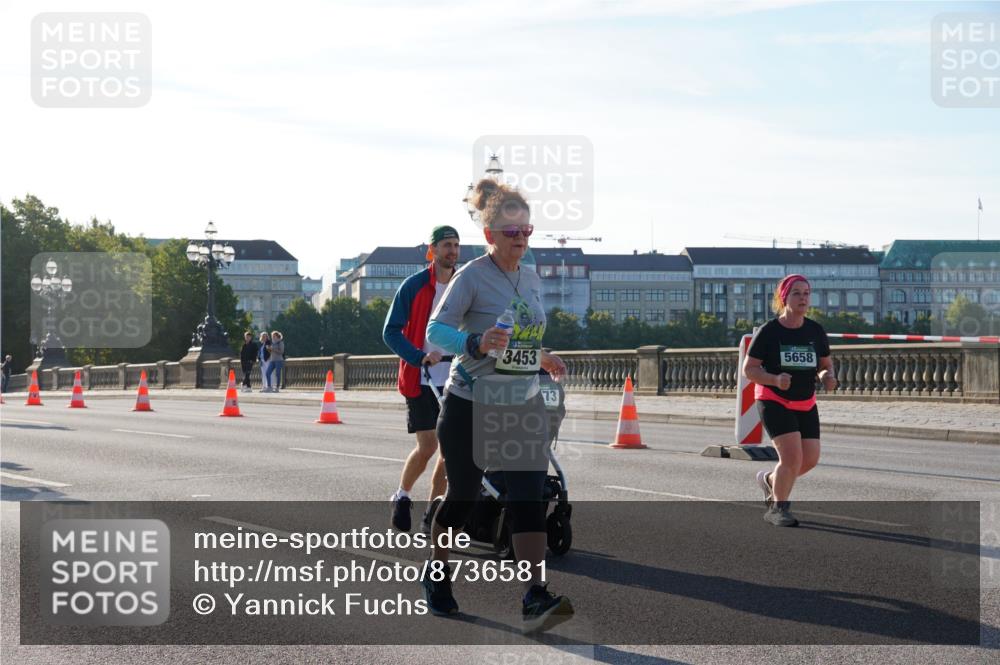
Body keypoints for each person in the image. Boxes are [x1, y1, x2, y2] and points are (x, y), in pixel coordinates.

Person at [423, 178, 573, 634]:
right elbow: (435, 332)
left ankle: (533, 595)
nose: (522, 238)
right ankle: (437, 570)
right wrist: (473, 340)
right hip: (470, 403)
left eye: (527, 230)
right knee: (463, 501)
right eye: (512, 232)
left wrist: (541, 355)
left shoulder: (530, 275)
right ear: (489, 235)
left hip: (521, 403)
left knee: (530, 501)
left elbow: (521, 334)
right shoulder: (471, 276)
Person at [743, 274, 836, 527]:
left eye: (806, 293)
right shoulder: (770, 331)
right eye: (796, 293)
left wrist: (827, 375)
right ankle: (777, 508)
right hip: (774, 399)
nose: (803, 298)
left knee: (810, 459)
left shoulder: (815, 330)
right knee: (792, 458)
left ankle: (773, 481)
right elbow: (749, 369)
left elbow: (825, 363)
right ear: (785, 297)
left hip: (805, 401)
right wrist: (774, 379)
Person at [382, 225, 459, 534]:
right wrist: (418, 356)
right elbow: (390, 331)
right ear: (432, 251)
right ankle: (401, 495)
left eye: (455, 245)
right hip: (421, 378)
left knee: (450, 450)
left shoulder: (463, 284)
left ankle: (433, 513)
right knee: (428, 447)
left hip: (456, 377)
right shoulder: (413, 286)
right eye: (446, 245)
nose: (452, 251)